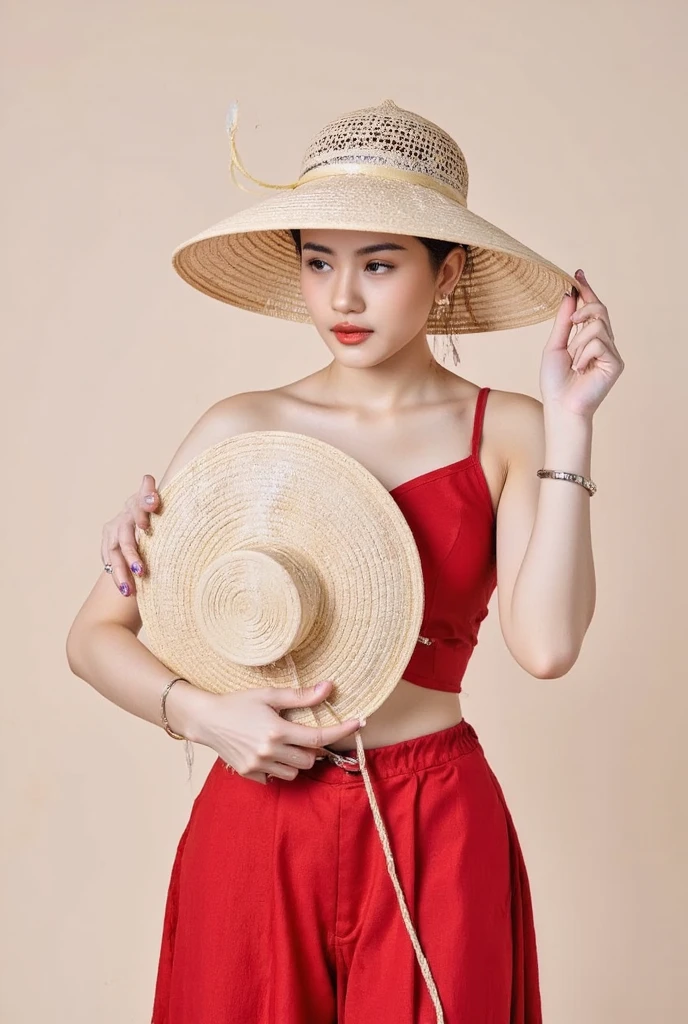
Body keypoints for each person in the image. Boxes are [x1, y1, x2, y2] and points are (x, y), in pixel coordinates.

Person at [66, 99, 624, 1023]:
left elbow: (548, 646)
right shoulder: (240, 425)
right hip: (259, 817)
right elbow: (94, 636)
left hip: (436, 815)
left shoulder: (511, 430)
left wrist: (572, 425)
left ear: (447, 274)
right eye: (319, 263)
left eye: (379, 264)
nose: (344, 298)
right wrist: (207, 717)